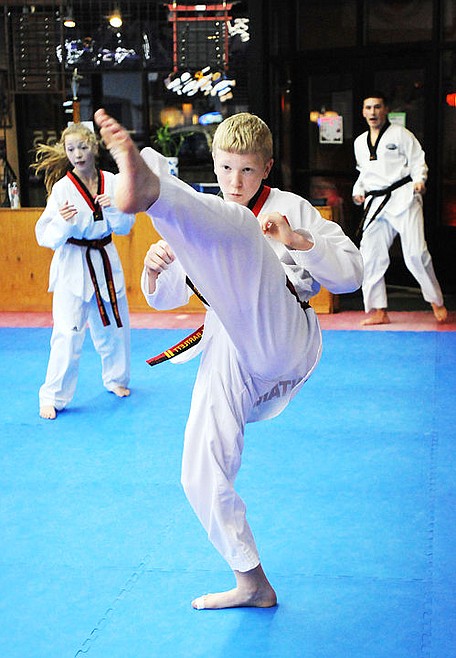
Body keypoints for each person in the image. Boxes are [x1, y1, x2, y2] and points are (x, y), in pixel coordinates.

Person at [94, 108, 363, 610]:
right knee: (198, 469)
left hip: (284, 332)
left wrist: (298, 241)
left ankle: (152, 189)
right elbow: (167, 298)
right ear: (214, 164)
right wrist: (154, 268)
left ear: (267, 168)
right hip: (228, 339)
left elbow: (351, 275)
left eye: (246, 170)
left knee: (238, 228)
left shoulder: (290, 208)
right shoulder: (207, 218)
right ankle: (252, 581)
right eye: (224, 169)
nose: (234, 181)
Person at [33, 122, 135, 420]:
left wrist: (114, 208)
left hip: (105, 260)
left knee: (114, 327)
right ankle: (52, 396)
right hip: (73, 265)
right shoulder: (62, 188)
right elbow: (45, 236)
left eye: (82, 147)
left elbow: (126, 226)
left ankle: (116, 379)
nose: (77, 154)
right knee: (67, 334)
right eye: (71, 149)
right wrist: (63, 222)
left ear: (94, 147)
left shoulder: (111, 182)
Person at [352, 91, 447, 325]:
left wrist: (420, 180)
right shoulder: (360, 142)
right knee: (370, 255)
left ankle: (436, 301)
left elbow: (417, 160)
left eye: (377, 107)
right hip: (376, 203)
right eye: (368, 108)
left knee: (415, 253)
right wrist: (358, 189)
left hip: (404, 198)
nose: (373, 112)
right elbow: (364, 171)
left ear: (385, 110)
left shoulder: (401, 134)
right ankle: (379, 310)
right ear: (363, 112)